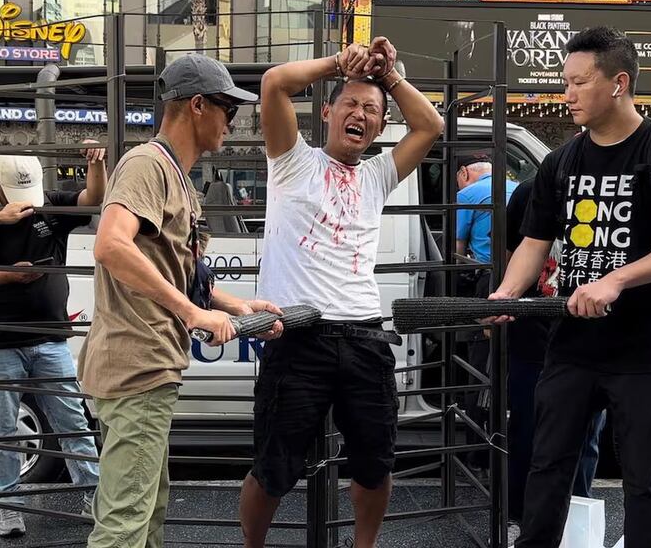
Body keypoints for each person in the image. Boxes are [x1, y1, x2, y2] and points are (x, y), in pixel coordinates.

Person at [488, 26, 651, 547]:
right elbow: (534, 243)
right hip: (571, 346)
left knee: (645, 483)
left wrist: (614, 280)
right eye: (565, 82)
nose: (566, 93)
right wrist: (508, 293)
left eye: (579, 82)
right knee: (547, 470)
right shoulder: (561, 162)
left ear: (619, 83)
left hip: (647, 350)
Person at [239, 38, 444, 548]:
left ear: (380, 124)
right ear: (327, 112)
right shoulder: (292, 161)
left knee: (375, 465)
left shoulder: (377, 174)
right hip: (297, 334)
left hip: (364, 336)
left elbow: (430, 126)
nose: (360, 114)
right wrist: (340, 63)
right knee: (273, 469)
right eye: (350, 103)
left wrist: (388, 75)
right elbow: (274, 84)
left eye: (371, 110)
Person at [78, 53, 282, 548]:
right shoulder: (148, 165)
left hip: (147, 367)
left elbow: (180, 273)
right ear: (197, 105)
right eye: (228, 110)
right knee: (125, 525)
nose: (233, 123)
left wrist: (237, 306)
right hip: (138, 367)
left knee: (147, 514)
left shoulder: (174, 175)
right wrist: (193, 313)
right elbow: (111, 245)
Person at [0, 146, 106, 539]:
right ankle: (8, 506)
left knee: (73, 420)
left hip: (49, 335)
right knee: (1, 427)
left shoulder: (50, 204)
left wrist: (95, 165)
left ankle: (94, 496)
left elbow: (92, 199)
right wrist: (9, 275)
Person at [504, 178, 606, 522]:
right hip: (533, 334)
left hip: (590, 337)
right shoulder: (531, 191)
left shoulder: (610, 192)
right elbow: (510, 254)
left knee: (586, 435)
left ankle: (576, 519)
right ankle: (520, 517)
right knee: (528, 430)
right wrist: (505, 299)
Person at [455, 157, 517, 472]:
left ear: (464, 172)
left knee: (480, 369)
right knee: (509, 368)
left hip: (486, 282)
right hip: (520, 282)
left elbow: (456, 248)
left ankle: (478, 454)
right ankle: (508, 447)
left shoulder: (467, 194)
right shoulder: (518, 188)